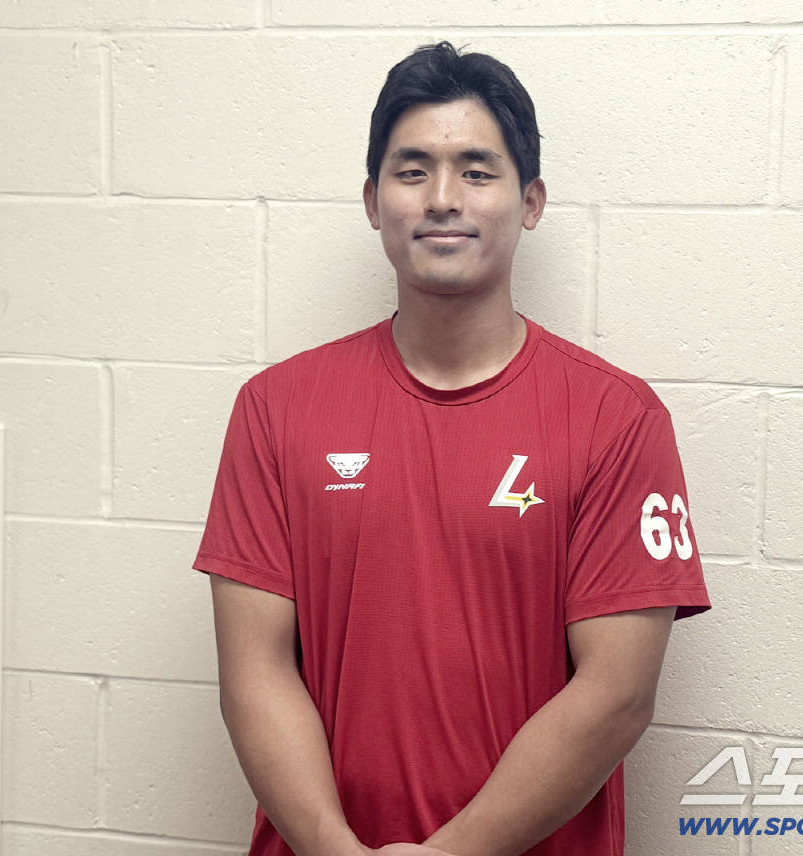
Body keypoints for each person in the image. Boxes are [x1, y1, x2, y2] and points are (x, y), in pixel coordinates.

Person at [194, 41, 711, 856]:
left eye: (476, 171)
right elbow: (254, 673)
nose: (442, 198)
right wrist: (333, 846)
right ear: (373, 202)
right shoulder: (275, 409)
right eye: (412, 171)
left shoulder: (618, 420)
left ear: (530, 201)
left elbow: (616, 696)